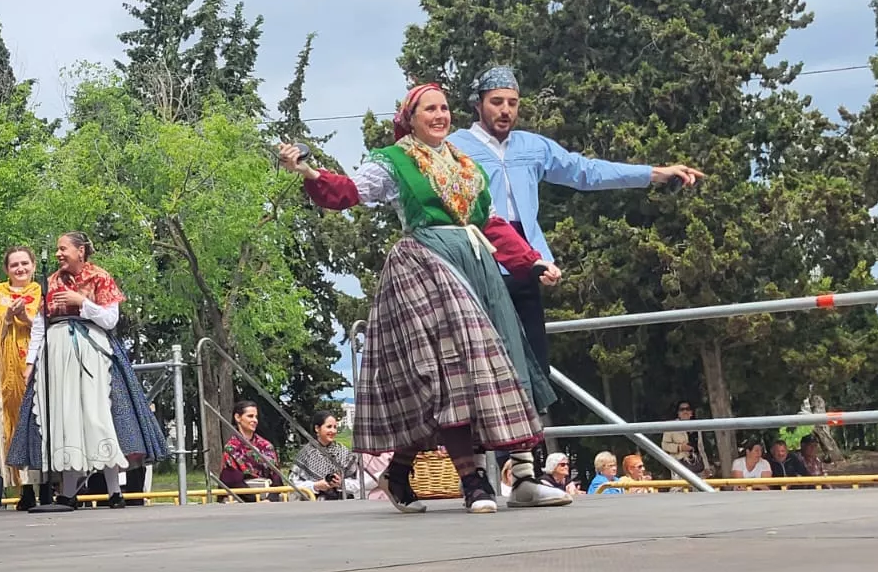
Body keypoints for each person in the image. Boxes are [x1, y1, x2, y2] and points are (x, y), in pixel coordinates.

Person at [277, 84, 572, 515]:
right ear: (410, 118)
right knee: (448, 376)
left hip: (477, 269)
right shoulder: (394, 162)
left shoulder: (466, 166)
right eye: (429, 109)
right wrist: (307, 172)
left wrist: (532, 262)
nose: (439, 116)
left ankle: (516, 476)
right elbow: (347, 192)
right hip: (426, 269)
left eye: (444, 108)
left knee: (504, 365)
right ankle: (472, 481)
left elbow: (489, 223)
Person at [448, 66, 704, 377]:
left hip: (528, 262)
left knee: (534, 368)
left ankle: (533, 423)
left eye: (512, 103)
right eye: (497, 102)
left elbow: (585, 171)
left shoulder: (532, 146)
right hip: (479, 260)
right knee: (486, 366)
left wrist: (654, 174)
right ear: (478, 103)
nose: (505, 110)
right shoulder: (454, 146)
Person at [6, 233, 170, 509]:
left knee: (97, 416)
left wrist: (81, 302)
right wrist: (32, 361)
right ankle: (68, 493)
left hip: (92, 351)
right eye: (57, 249)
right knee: (65, 419)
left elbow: (110, 319)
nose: (58, 254)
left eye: (63, 248)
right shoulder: (52, 280)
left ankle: (114, 491)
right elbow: (39, 323)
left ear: (80, 251)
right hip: (57, 353)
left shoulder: (100, 277)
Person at [0, 247, 45, 510]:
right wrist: (7, 316)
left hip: (34, 361)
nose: (20, 269)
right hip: (5, 367)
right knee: (10, 423)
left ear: (33, 266)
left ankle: (48, 482)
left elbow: (48, 324)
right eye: (14, 265)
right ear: (6, 269)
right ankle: (23, 487)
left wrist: (25, 318)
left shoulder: (42, 291)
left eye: (25, 264)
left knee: (38, 420)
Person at [290, 410, 370, 500]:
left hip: (343, 502)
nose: (333, 431)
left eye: (335, 427)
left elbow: (358, 482)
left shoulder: (344, 452)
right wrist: (316, 485)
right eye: (329, 427)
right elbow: (293, 484)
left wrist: (341, 483)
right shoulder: (306, 453)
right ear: (317, 428)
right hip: (314, 504)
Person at [219, 401, 283, 501]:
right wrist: (256, 501)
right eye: (250, 416)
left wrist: (270, 499)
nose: (255, 420)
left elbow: (276, 478)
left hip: (268, 498)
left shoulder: (266, 446)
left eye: (256, 417)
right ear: (237, 417)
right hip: (242, 499)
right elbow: (233, 481)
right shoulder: (231, 448)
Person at [660, 400, 711, 475]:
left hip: (698, 465)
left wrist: (707, 467)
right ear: (678, 413)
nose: (685, 411)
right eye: (682, 409)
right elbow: (664, 445)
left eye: (688, 409)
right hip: (680, 465)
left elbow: (701, 448)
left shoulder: (697, 427)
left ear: (691, 412)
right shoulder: (671, 426)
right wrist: (680, 447)